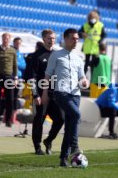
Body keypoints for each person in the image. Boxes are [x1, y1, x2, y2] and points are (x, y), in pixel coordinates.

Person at [43, 28, 89, 167]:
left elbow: (82, 77)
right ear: (65, 39)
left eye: (77, 39)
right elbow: (47, 76)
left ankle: (63, 159)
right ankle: (74, 146)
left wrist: (84, 82)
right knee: (76, 115)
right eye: (73, 38)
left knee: (70, 125)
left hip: (76, 95)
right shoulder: (56, 55)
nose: (76, 41)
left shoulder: (79, 58)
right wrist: (45, 93)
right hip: (61, 93)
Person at [31, 29, 64, 155]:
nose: (52, 41)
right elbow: (32, 77)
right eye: (49, 38)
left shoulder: (57, 55)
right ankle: (37, 147)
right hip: (41, 93)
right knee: (39, 119)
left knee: (60, 119)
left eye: (54, 38)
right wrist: (35, 94)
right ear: (44, 39)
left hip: (54, 94)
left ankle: (48, 140)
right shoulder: (37, 56)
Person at [0, 33, 18, 127]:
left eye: (7, 38)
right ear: (2, 39)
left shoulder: (13, 51)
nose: (5, 39)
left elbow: (15, 65)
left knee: (10, 99)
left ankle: (8, 120)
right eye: (4, 38)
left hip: (9, 77)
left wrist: (16, 77)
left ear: (9, 39)